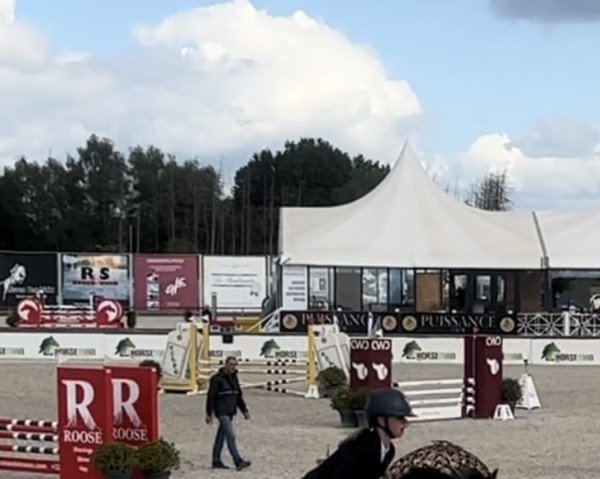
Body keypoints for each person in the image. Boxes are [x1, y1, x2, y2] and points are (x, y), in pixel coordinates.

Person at [301, 388, 415, 479]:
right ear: (381, 420)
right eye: (400, 418)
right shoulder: (361, 447)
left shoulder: (389, 450)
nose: (405, 423)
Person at [205, 356, 252, 471]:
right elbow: (211, 396)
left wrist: (244, 410)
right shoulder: (216, 379)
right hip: (221, 412)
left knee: (221, 437)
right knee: (231, 435)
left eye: (234, 365)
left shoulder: (234, 378)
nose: (233, 367)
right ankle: (238, 460)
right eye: (231, 364)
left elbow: (238, 396)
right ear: (225, 364)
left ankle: (216, 460)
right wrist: (208, 413)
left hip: (231, 411)